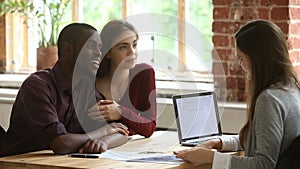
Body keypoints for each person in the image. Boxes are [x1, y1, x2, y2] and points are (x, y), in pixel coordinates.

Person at [173, 19, 300, 169]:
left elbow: (263, 164)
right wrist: (219, 143)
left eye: (241, 58)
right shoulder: (291, 88)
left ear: (257, 59)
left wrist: (212, 158)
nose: (240, 65)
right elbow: (262, 140)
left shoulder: (269, 99)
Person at [0, 23, 129, 157]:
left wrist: (105, 142)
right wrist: (102, 133)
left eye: (100, 48)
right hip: (16, 162)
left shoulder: (87, 87)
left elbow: (121, 132)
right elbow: (61, 144)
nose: (98, 53)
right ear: (67, 49)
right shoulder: (37, 86)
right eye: (91, 46)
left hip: (57, 163)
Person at [88, 19, 157, 138]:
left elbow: (149, 127)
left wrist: (120, 112)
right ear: (107, 52)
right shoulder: (90, 78)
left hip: (126, 148)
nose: (132, 52)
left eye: (134, 45)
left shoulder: (144, 74)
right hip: (92, 149)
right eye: (123, 47)